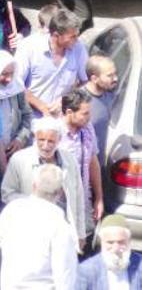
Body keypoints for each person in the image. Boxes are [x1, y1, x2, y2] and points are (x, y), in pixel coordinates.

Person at [0, 116, 85, 248]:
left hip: (62, 231)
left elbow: (78, 198)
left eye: (51, 141)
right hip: (32, 232)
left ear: (59, 140)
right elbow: (7, 193)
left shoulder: (69, 160)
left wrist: (80, 234)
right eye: (41, 140)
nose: (45, 146)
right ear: (35, 138)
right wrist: (35, 201)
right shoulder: (19, 159)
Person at [0, 164, 79, 290]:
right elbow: (65, 273)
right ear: (60, 192)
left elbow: (0, 240)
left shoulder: (12, 210)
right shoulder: (60, 226)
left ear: (34, 186)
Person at [15, 8, 88, 118]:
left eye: (77, 35)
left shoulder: (78, 48)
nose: (77, 40)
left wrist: (65, 100)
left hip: (63, 119)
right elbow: (16, 84)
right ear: (56, 35)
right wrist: (43, 108)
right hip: (30, 118)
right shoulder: (28, 47)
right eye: (72, 36)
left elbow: (86, 82)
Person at [58, 89, 104, 244]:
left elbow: (93, 162)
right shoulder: (53, 135)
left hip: (83, 200)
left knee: (84, 249)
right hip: (61, 204)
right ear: (69, 112)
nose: (89, 117)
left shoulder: (87, 128)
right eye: (85, 113)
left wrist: (99, 198)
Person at [0, 50, 32, 158]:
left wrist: (20, 139)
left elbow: (27, 116)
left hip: (11, 152)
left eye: (11, 74)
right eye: (4, 74)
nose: (9, 79)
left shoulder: (17, 88)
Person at [78, 214, 142, 290]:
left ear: (129, 241)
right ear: (101, 242)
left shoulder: (140, 265)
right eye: (110, 242)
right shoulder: (86, 270)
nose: (116, 248)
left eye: (121, 242)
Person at [83, 55, 117, 159]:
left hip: (99, 164)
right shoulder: (79, 101)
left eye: (115, 74)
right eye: (109, 76)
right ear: (94, 78)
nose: (115, 78)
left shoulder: (110, 95)